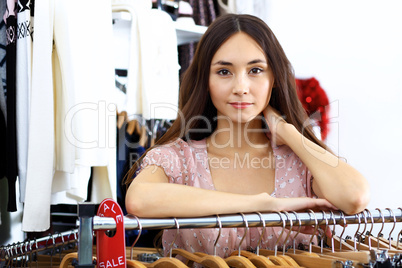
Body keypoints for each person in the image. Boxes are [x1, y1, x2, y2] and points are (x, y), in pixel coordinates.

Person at [125, 13, 370, 258]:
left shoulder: (301, 164)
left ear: (274, 78)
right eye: (224, 72)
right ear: (205, 80)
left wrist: (288, 132)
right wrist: (264, 205)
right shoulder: (178, 158)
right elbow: (139, 200)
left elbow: (355, 196)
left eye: (255, 70)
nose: (240, 87)